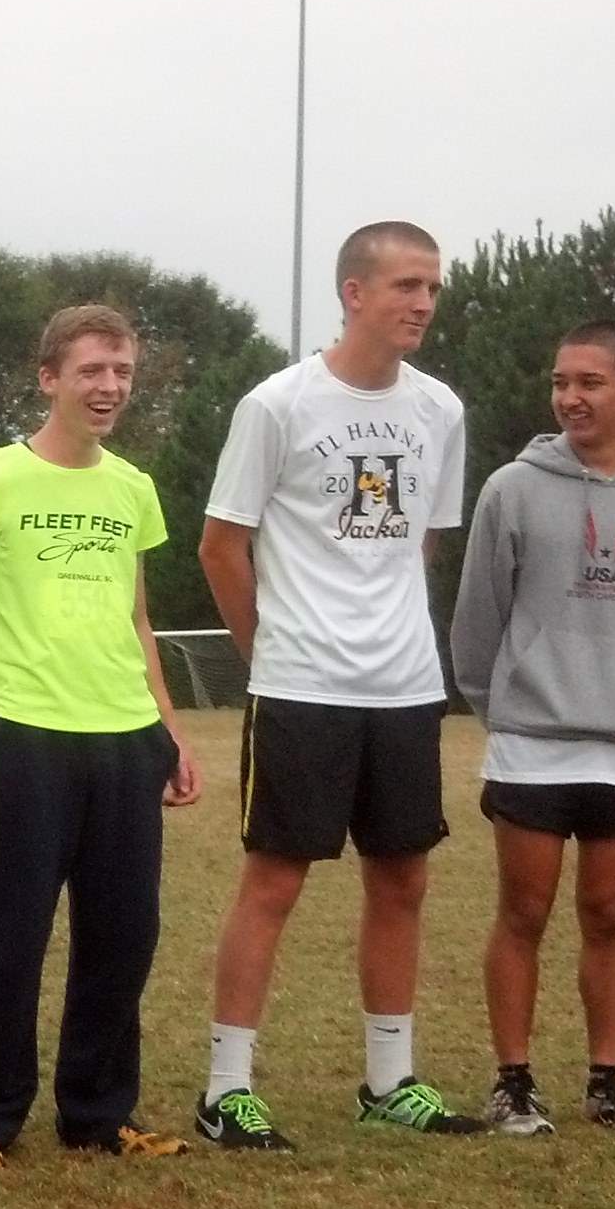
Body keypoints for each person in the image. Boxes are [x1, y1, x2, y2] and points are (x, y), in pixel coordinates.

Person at [193, 220, 484, 1150]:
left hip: (403, 685)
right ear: (353, 292)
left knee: (401, 877)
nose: (422, 302)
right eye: (405, 285)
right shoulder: (277, 404)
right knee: (274, 879)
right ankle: (225, 1089)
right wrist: (268, 650)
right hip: (300, 686)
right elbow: (220, 544)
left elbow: (421, 540)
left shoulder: (439, 409)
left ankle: (389, 1081)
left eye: (431, 286)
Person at [0, 305, 203, 1168]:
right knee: (10, 935)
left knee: (122, 936)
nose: (108, 387)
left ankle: (98, 1114)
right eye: (90, 371)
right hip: (27, 737)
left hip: (125, 738)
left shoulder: (132, 488)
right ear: (49, 379)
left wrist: (170, 732)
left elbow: (137, 621)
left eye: (121, 372)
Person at [451, 320, 615, 1140]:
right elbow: (477, 622)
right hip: (530, 742)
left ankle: (606, 1084)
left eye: (589, 382)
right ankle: (513, 1084)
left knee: (607, 914)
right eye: (560, 382)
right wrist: (508, 711)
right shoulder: (511, 488)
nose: (569, 397)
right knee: (522, 911)